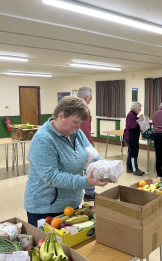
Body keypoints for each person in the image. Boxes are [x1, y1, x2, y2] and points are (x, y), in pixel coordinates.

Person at [24, 96, 110, 227]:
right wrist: (85, 182)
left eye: (80, 123)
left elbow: (91, 153)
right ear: (61, 115)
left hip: (71, 204)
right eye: (75, 122)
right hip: (46, 208)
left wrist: (102, 166)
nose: (78, 126)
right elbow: (51, 176)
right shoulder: (43, 139)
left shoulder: (76, 133)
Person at [77, 86, 96, 202]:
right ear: (87, 97)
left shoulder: (73, 107)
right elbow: (85, 129)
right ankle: (89, 193)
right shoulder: (83, 108)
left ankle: (84, 191)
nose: (90, 100)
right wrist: (91, 145)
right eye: (91, 98)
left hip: (74, 143)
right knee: (89, 167)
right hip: (83, 143)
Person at [124, 101, 145, 176]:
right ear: (135, 109)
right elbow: (132, 125)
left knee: (131, 152)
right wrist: (139, 119)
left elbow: (134, 120)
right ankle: (135, 169)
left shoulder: (133, 114)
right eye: (139, 109)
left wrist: (139, 118)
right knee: (133, 152)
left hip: (133, 136)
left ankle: (129, 168)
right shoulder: (130, 114)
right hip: (130, 136)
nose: (140, 110)